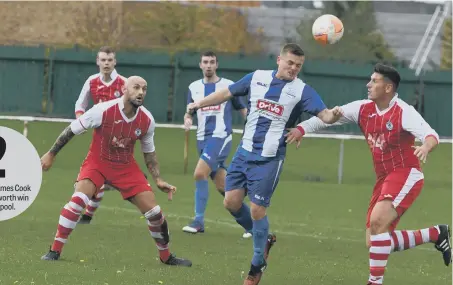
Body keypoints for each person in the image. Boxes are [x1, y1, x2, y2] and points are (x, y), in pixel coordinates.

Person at [187, 43, 343, 284]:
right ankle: (265, 237)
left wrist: (334, 114)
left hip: (270, 159)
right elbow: (227, 92)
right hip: (243, 153)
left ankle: (257, 263)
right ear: (279, 59)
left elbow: (324, 116)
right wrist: (199, 104)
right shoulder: (257, 77)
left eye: (298, 66)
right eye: (290, 63)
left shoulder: (302, 91)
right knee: (230, 202)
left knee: (258, 210)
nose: (293, 68)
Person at [287, 63, 451, 284]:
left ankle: (374, 282)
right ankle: (435, 234)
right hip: (384, 178)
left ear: (388, 87)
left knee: (377, 222)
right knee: (374, 241)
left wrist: (425, 147)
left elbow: (431, 134)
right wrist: (302, 128)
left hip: (406, 173)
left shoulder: (403, 111)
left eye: (374, 81)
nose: (369, 84)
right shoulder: (363, 108)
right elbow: (328, 118)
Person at [40, 76, 192, 267]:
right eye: (136, 87)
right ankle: (55, 250)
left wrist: (158, 179)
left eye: (144, 89)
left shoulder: (147, 120)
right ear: (124, 89)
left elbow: (149, 153)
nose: (140, 92)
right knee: (78, 201)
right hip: (98, 162)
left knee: (155, 213)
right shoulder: (101, 111)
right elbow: (71, 130)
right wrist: (51, 154)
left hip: (126, 167)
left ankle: (166, 257)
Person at [182, 51, 250, 238]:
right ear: (200, 65)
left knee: (199, 174)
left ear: (217, 64)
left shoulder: (228, 86)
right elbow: (189, 111)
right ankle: (253, 225)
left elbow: (243, 109)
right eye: (205, 62)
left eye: (212, 62)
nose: (209, 65)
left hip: (221, 137)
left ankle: (198, 221)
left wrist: (253, 129)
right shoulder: (194, 87)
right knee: (225, 187)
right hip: (201, 139)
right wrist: (187, 118)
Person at [74, 46, 127, 224]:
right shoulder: (92, 81)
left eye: (109, 60)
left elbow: (134, 109)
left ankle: (88, 214)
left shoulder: (124, 83)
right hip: (99, 136)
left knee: (99, 177)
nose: (106, 63)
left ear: (115, 62)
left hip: (119, 137)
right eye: (103, 60)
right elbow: (80, 105)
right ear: (97, 61)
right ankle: (88, 214)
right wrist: (80, 122)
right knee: (97, 177)